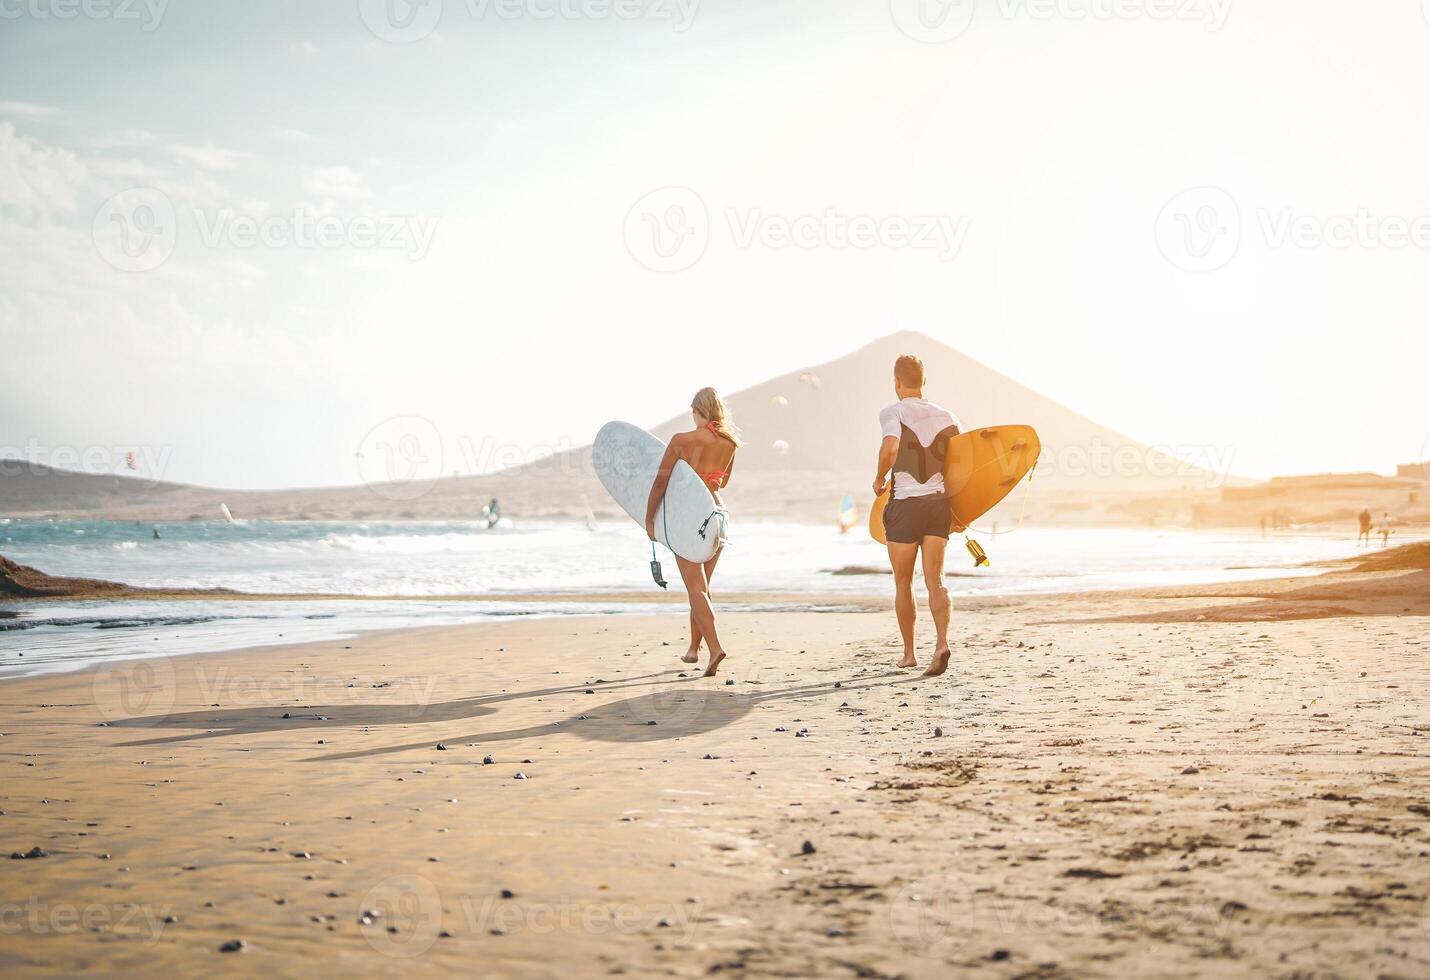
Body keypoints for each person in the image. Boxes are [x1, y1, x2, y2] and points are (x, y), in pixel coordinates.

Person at [872, 354, 961, 678]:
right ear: (923, 382)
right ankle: (940, 643)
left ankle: (909, 654)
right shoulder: (946, 415)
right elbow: (963, 464)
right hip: (938, 505)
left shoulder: (892, 411)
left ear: (896, 382)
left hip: (905, 506)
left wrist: (879, 477)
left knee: (904, 580)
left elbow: (891, 448)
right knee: (936, 580)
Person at [645, 388, 740, 677]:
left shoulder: (682, 441)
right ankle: (694, 649)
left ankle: (714, 649)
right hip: (718, 515)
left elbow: (661, 483)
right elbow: (722, 483)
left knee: (695, 587)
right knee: (702, 587)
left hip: (690, 517)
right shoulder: (730, 443)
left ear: (697, 411)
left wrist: (649, 520)